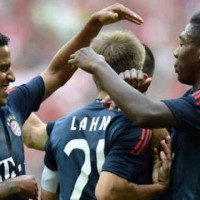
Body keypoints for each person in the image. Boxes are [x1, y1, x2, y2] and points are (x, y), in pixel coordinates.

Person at [0, 3, 143, 199]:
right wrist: (9, 187)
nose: (12, 77)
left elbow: (57, 73)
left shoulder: (13, 103)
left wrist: (93, 25)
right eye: (3, 69)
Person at [68, 10, 200, 200]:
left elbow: (145, 113)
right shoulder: (190, 98)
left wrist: (99, 64)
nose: (176, 52)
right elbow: (154, 120)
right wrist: (132, 95)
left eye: (183, 43)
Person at [24, 30, 171, 200]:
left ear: (92, 71)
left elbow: (48, 197)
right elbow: (169, 149)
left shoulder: (59, 129)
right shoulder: (139, 126)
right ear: (140, 70)